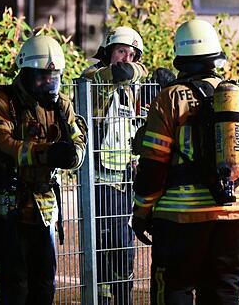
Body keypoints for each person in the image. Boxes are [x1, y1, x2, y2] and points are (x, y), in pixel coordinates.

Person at [131, 19, 239, 305]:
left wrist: (142, 211)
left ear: (180, 57)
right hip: (234, 214)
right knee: (225, 288)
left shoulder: (168, 99)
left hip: (180, 217)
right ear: (216, 57)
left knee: (176, 287)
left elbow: (153, 165)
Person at [0, 34, 86, 305]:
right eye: (42, 77)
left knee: (44, 286)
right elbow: (4, 143)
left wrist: (72, 156)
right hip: (6, 210)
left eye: (54, 77)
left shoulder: (61, 105)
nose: (49, 84)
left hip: (43, 212)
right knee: (12, 287)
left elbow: (79, 141)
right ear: (24, 73)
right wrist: (46, 152)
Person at [82, 26, 149, 305]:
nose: (126, 59)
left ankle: (121, 293)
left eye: (132, 54)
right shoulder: (93, 78)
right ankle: (107, 295)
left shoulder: (128, 87)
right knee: (106, 240)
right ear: (109, 51)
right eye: (122, 51)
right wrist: (133, 71)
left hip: (123, 178)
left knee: (123, 242)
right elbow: (106, 76)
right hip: (99, 179)